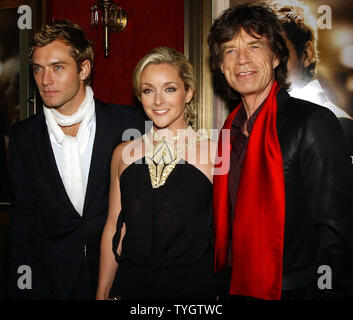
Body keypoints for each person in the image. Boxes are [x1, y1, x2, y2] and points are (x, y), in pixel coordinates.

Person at [208, 3, 353, 300]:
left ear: (275, 56)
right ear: (221, 66)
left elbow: (337, 231)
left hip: (293, 291)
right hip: (235, 288)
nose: (242, 60)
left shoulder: (313, 121)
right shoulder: (227, 132)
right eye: (230, 51)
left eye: (254, 45)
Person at [7, 20, 145, 299]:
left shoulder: (131, 124)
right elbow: (23, 220)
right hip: (51, 283)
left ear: (84, 69)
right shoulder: (22, 137)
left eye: (57, 67)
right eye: (38, 68)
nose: (45, 80)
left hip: (121, 281)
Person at [96, 47, 226, 300]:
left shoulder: (216, 153)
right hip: (134, 288)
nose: (157, 101)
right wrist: (102, 291)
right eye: (148, 90)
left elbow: (230, 235)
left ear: (188, 93)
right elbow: (115, 227)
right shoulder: (123, 153)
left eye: (169, 89)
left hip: (195, 292)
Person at [269, 0, 353, 155]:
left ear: (307, 53)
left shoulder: (336, 121)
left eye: (278, 52)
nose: (269, 64)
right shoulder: (265, 119)